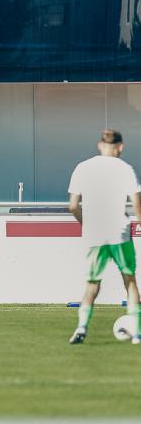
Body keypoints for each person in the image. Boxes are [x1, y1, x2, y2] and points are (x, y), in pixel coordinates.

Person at [67, 129, 141, 344]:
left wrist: (88, 225)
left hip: (95, 234)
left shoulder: (83, 167)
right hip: (119, 231)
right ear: (120, 147)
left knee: (92, 284)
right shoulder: (126, 169)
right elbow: (137, 206)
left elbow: (72, 206)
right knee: (130, 281)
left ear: (100, 145)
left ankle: (81, 327)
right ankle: (136, 333)